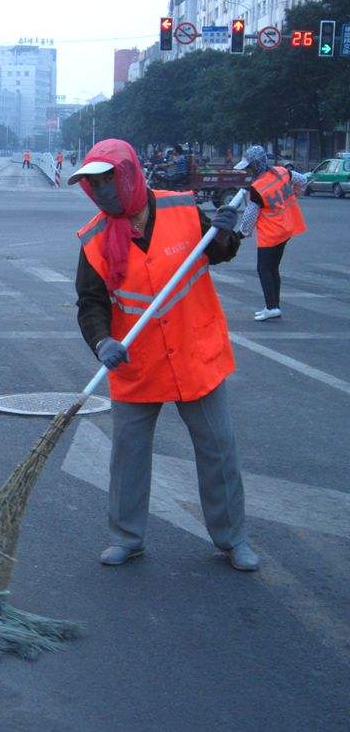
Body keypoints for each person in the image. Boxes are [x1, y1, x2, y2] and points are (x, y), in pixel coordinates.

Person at [69, 139, 258, 572]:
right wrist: (102, 343)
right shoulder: (95, 238)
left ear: (130, 174)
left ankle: (232, 539)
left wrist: (227, 230)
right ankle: (126, 537)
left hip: (195, 353)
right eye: (93, 185)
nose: (101, 191)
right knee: (128, 456)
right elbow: (90, 303)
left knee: (218, 450)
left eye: (107, 180)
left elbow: (217, 252)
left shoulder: (182, 209)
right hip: (136, 362)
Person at [234, 145, 308, 321]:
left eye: (249, 167)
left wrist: (241, 234)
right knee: (273, 268)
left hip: (272, 233)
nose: (248, 171)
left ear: (256, 165)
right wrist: (295, 194)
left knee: (264, 269)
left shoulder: (258, 187)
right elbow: (303, 179)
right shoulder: (282, 172)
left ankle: (272, 307)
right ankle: (274, 306)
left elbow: (250, 215)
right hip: (286, 228)